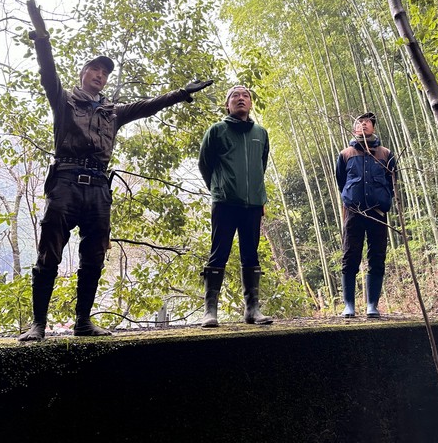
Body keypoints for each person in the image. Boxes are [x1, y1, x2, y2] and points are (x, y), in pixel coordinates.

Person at [18, 26, 213, 342]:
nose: (100, 75)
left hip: (98, 188)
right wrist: (42, 40)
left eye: (104, 72)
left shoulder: (113, 112)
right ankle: (38, 324)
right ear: (83, 73)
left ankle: (83, 321)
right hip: (66, 182)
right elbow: (48, 73)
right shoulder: (64, 100)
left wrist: (181, 93)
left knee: (94, 255)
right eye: (95, 69)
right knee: (49, 252)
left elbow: (149, 105)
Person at [197, 85, 272, 328]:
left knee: (251, 253)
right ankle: (210, 311)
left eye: (245, 96)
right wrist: (219, 188)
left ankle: (252, 310)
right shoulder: (217, 131)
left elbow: (262, 166)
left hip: (252, 204)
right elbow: (204, 164)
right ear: (227, 104)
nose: (241, 99)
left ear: (250, 104)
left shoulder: (261, 133)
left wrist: (258, 196)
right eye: (235, 96)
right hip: (225, 202)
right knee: (219, 252)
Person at [335, 112, 397, 318]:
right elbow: (341, 181)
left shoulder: (385, 153)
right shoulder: (345, 154)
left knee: (377, 257)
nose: (364, 125)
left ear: (373, 127)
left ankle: (372, 304)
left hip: (378, 212)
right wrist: (350, 199)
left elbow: (392, 182)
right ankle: (349, 305)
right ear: (354, 129)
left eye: (368, 122)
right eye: (360, 122)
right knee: (350, 256)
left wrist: (385, 199)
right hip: (354, 212)